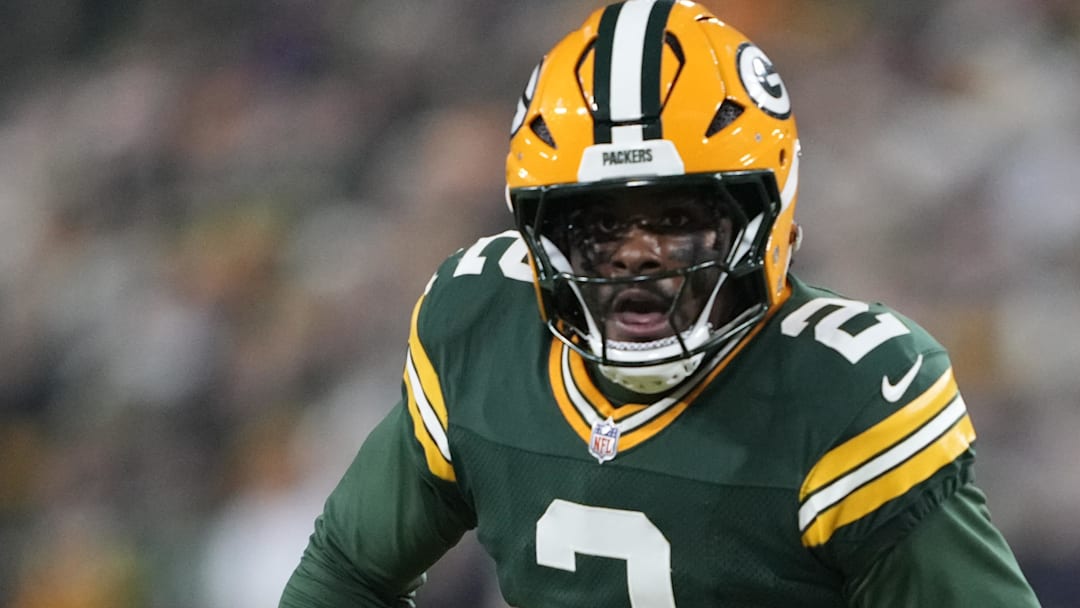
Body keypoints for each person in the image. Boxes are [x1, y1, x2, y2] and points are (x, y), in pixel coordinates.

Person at [279, 1, 1042, 606]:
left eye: (678, 219)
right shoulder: (481, 320)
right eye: (601, 223)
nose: (638, 254)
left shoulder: (844, 394)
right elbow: (348, 573)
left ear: (761, 216)